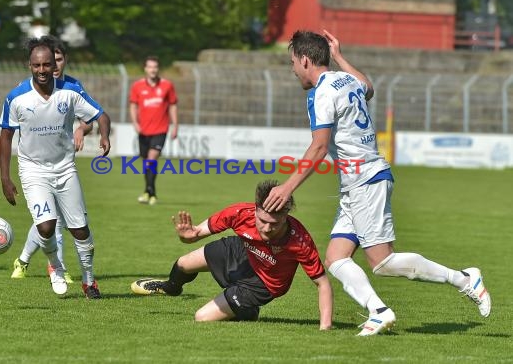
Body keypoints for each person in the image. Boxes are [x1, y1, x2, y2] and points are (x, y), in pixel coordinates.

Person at [262, 30, 491, 336]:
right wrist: (340, 57)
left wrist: (288, 186)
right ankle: (379, 311)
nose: (292, 69)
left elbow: (318, 147)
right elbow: (368, 88)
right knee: (336, 258)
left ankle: (464, 278)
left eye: (292, 62)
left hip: (365, 180)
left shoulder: (321, 92)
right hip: (356, 182)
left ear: (305, 60)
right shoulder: (346, 80)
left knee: (382, 262)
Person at [131, 179, 333, 328]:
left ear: (286, 216)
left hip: (263, 283)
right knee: (183, 263)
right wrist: (187, 236)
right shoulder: (240, 214)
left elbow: (322, 283)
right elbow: (195, 235)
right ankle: (171, 288)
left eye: (274, 223)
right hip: (243, 251)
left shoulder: (300, 240)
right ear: (255, 210)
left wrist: (325, 328)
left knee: (202, 317)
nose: (267, 228)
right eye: (262, 220)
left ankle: (247, 310)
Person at [0, 36, 111, 299]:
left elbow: (100, 115)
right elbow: (5, 136)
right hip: (33, 170)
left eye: (47, 65)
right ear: (29, 65)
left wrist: (104, 135)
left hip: (65, 168)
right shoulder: (16, 98)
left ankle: (89, 281)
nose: (42, 70)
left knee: (79, 229)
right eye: (37, 65)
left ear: (54, 65)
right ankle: (57, 268)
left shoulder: (70, 92)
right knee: (46, 226)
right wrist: (6, 178)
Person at [129, 56, 178, 205]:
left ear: (158, 69)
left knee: (151, 159)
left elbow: (173, 105)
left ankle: (149, 191)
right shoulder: (137, 86)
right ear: (145, 68)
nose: (153, 70)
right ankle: (149, 192)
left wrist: (175, 125)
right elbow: (133, 105)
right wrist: (135, 123)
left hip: (160, 130)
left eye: (155, 67)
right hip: (143, 131)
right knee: (147, 163)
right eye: (150, 67)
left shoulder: (167, 86)